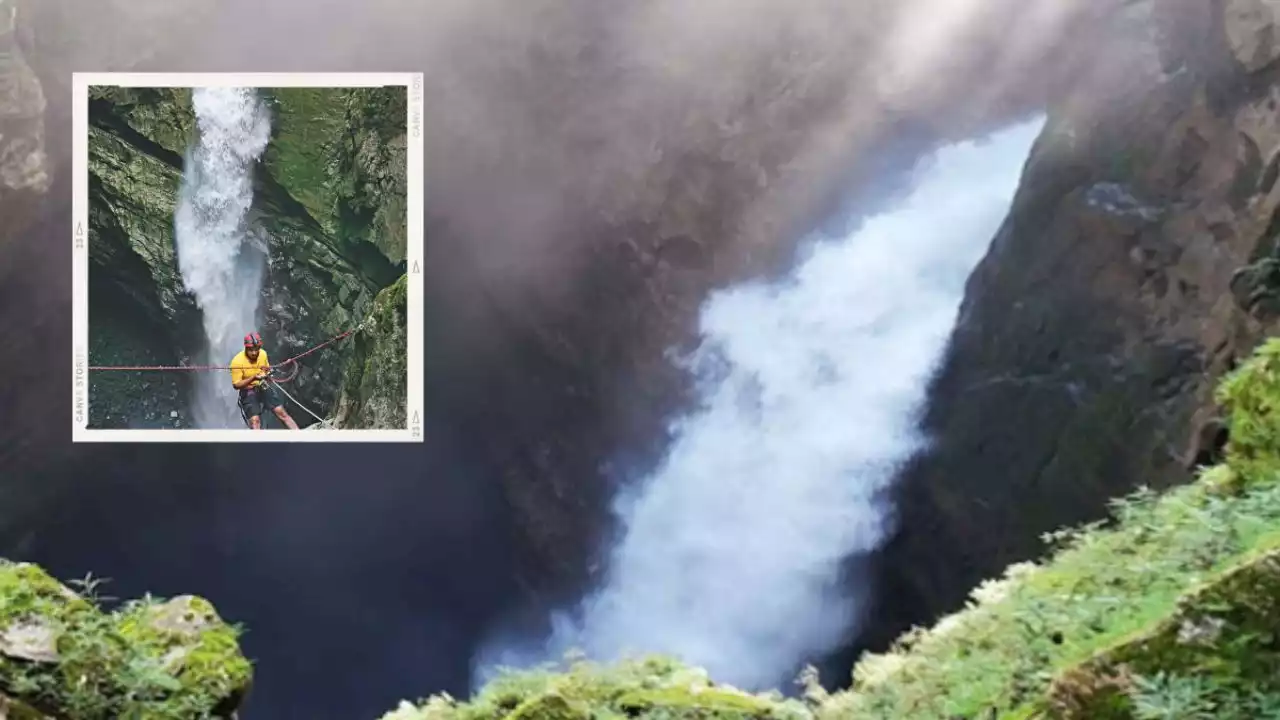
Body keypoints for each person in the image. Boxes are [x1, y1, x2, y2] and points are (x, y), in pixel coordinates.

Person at [230, 331, 299, 430]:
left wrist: (268, 372)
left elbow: (266, 369)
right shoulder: (237, 361)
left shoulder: (262, 354)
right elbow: (236, 385)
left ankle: (300, 437)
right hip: (248, 391)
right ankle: (258, 444)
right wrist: (253, 378)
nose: (254, 352)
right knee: (255, 421)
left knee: (282, 413)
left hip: (262, 385)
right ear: (246, 347)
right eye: (250, 349)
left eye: (256, 349)